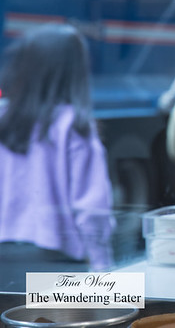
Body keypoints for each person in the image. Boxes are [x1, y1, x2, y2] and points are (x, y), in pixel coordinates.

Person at [0, 23, 116, 289]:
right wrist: (103, 269)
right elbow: (91, 208)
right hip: (54, 256)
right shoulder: (74, 127)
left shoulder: (3, 119)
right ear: (75, 71)